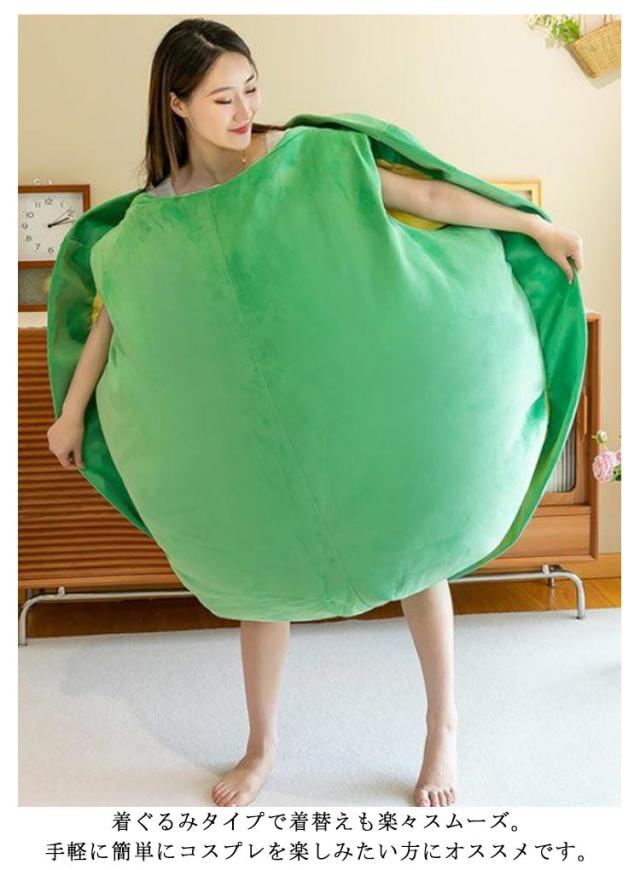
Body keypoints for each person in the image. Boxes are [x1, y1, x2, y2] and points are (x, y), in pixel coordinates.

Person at [47, 17, 584, 809]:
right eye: (223, 98)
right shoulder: (150, 221)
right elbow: (112, 313)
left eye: (251, 90)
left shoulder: (311, 156)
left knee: (417, 542)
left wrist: (530, 223)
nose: (244, 111)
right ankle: (261, 746)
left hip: (355, 400)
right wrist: (71, 414)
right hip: (256, 428)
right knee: (256, 573)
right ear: (177, 104)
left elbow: (425, 195)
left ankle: (442, 726)